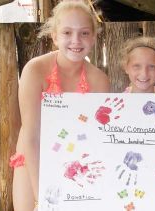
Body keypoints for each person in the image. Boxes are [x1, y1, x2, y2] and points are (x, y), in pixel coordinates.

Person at [11, 1, 110, 210]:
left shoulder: (100, 80)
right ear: (55, 37)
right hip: (33, 154)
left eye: (84, 33)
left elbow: (97, 135)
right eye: (67, 32)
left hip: (73, 155)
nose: (76, 40)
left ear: (93, 38)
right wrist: (41, 197)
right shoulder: (35, 70)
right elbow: (30, 134)